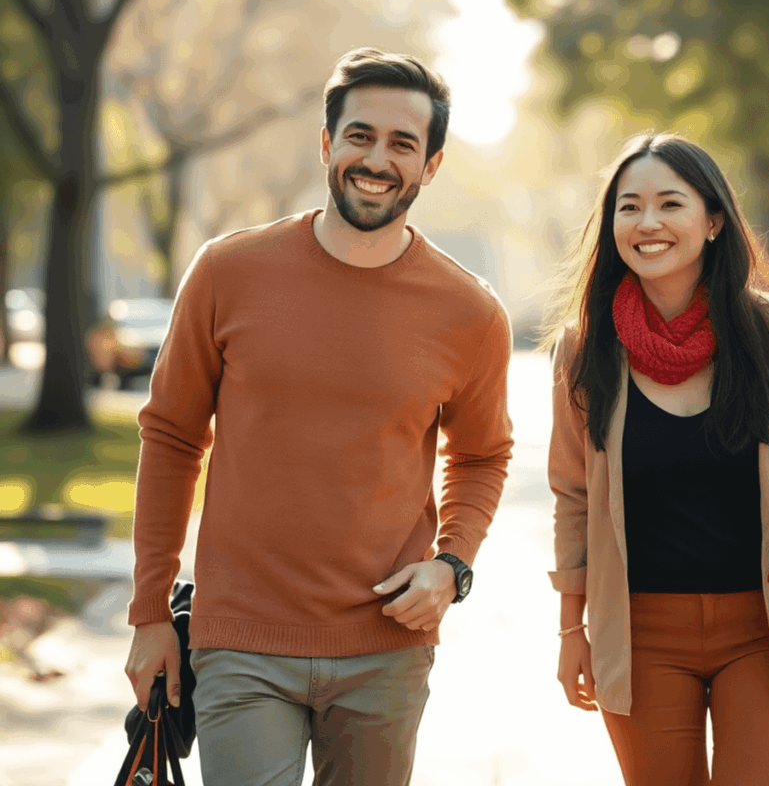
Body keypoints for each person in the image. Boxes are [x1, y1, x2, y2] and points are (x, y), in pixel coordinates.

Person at [124, 47, 514, 786]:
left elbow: (483, 454)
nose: (378, 158)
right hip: (239, 638)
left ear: (430, 165)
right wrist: (149, 613)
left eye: (404, 143)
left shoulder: (469, 312)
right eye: (361, 135)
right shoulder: (227, 272)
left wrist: (452, 565)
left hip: (386, 649)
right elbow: (172, 438)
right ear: (327, 143)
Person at [544, 132, 769, 786]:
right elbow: (573, 499)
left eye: (670, 203)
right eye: (629, 207)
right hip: (641, 636)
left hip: (768, 629)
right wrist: (569, 631)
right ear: (612, 227)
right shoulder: (584, 350)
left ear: (713, 220)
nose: (648, 222)